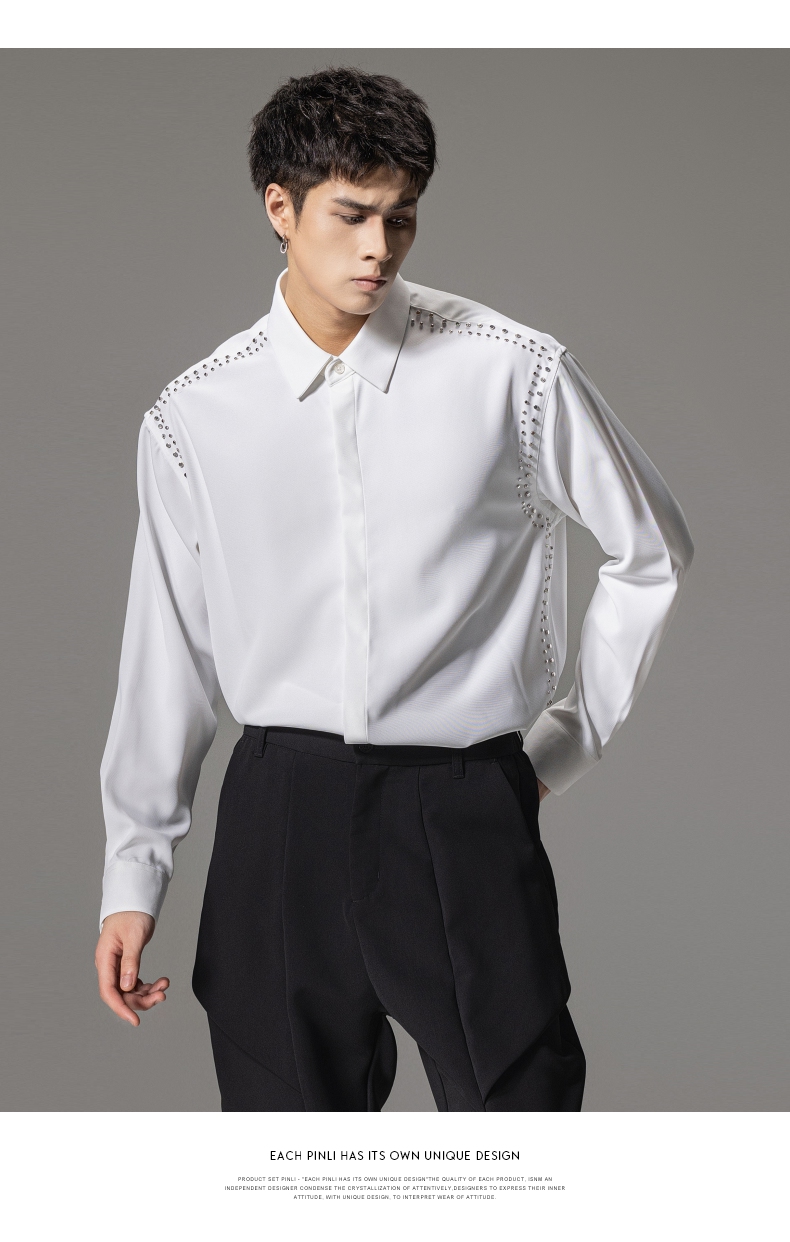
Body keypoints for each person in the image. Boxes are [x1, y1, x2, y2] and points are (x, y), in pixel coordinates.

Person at [94, 67, 694, 1112]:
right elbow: (169, 652)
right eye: (351, 214)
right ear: (279, 208)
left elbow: (653, 552)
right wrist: (132, 874)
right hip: (280, 811)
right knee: (285, 1155)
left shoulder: (511, 373)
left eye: (402, 216)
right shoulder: (195, 415)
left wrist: (558, 748)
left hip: (460, 803)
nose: (380, 247)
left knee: (520, 1139)